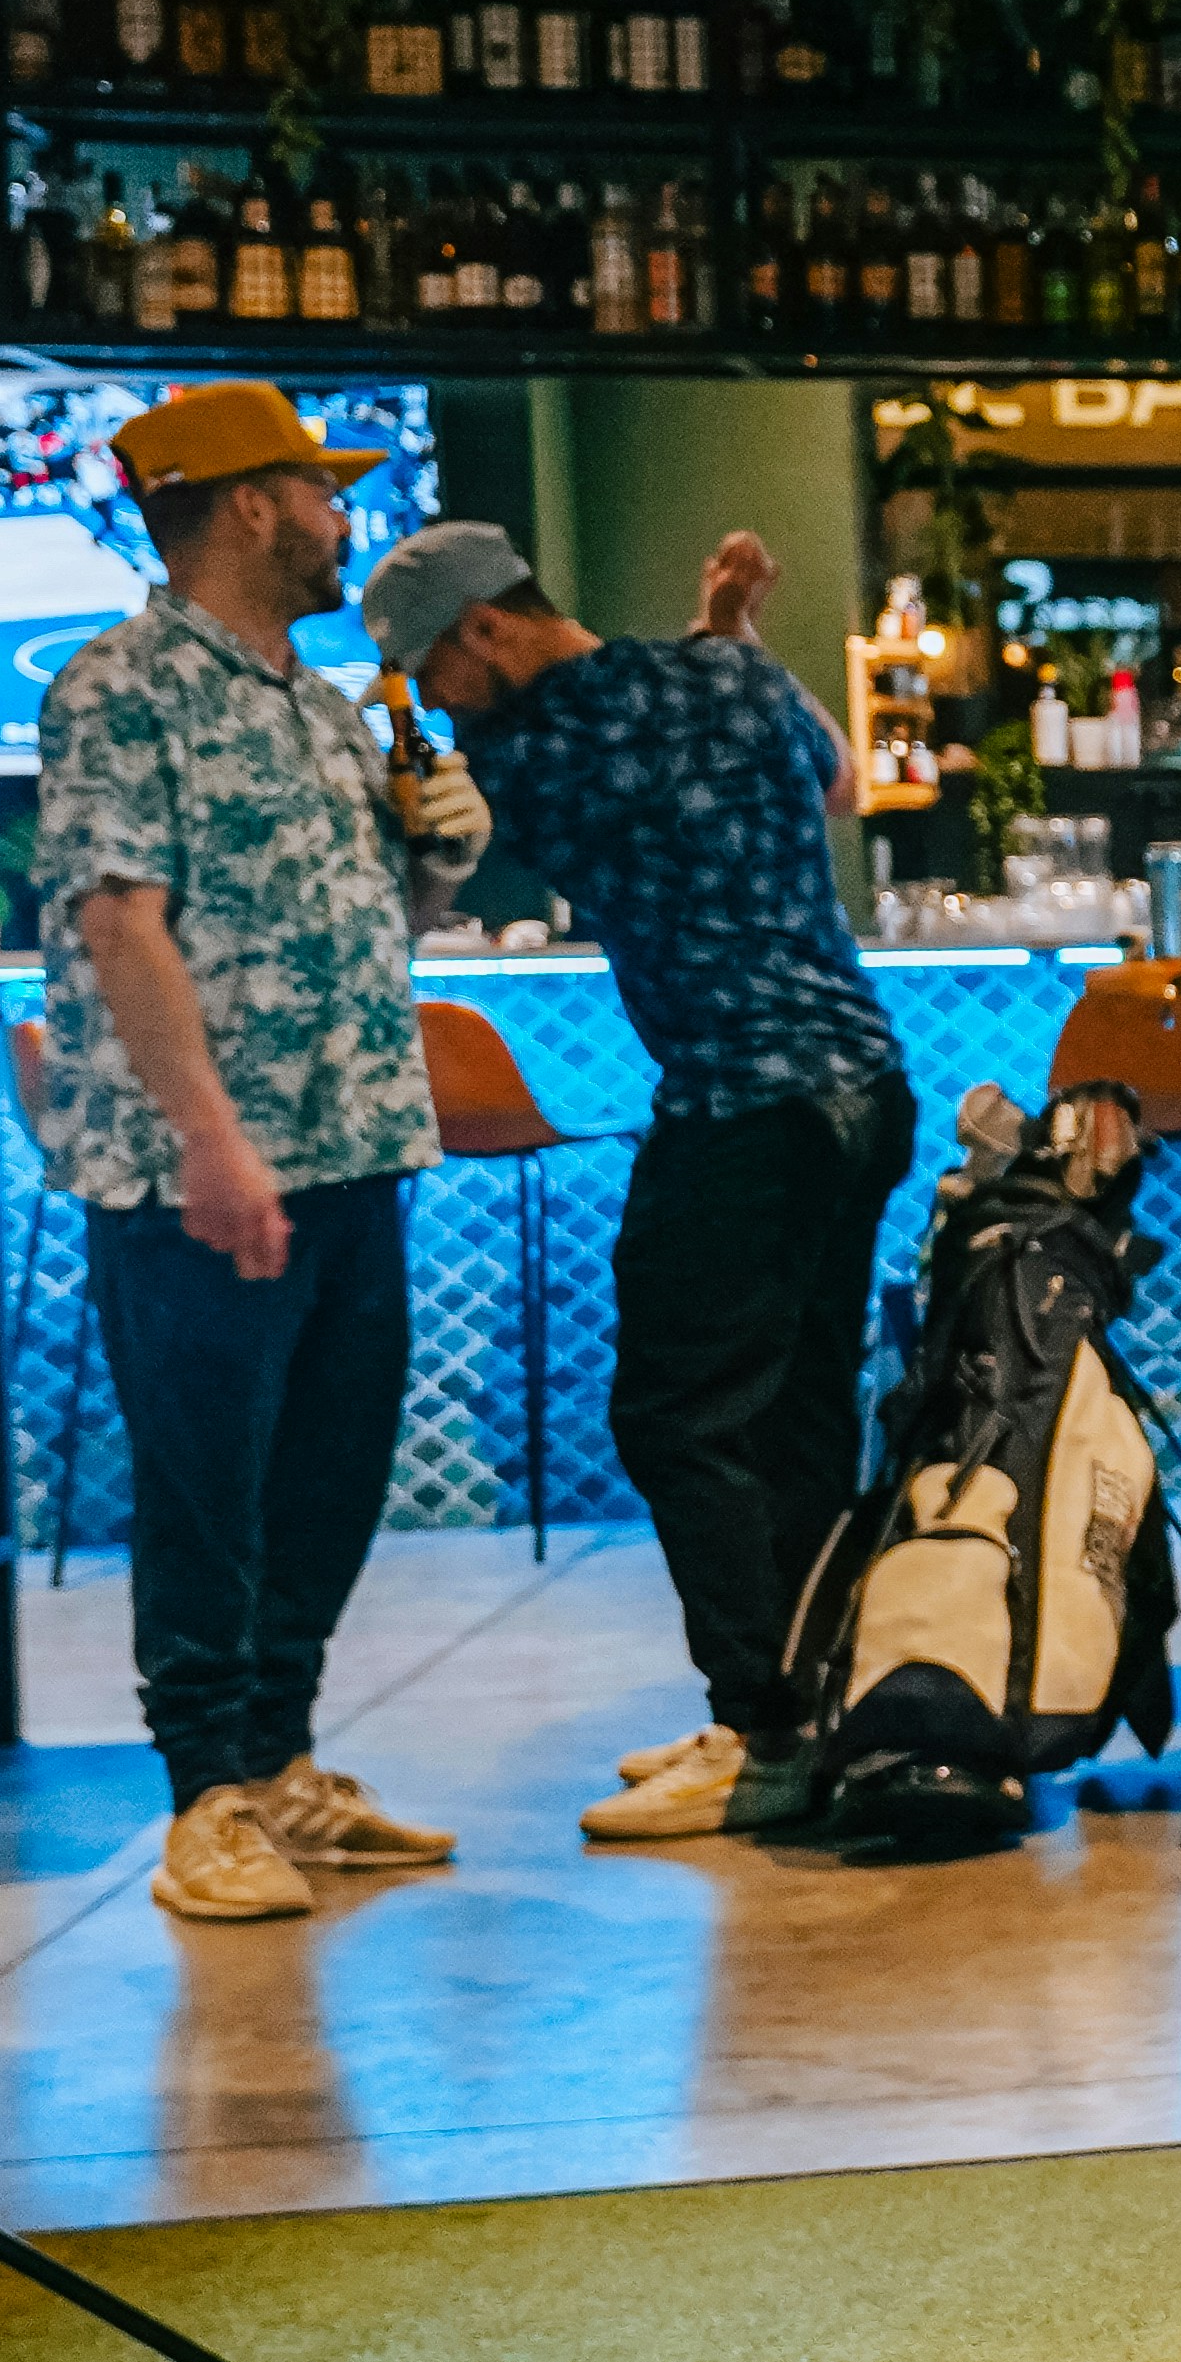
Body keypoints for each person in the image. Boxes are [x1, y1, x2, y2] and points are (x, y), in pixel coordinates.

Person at [361, 517, 910, 1847]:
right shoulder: (731, 676)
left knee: (677, 1418)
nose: (428, 697)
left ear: (487, 627)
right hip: (867, 1090)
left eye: (431, 666)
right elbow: (838, 782)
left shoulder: (527, 754)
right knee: (799, 1419)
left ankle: (765, 1731)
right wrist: (729, 628)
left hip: (740, 1104)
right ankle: (801, 1704)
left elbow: (416, 876)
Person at [39, 383, 481, 1925]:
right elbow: (117, 917)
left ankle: (281, 1762)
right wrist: (210, 1141)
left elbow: (374, 931)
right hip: (201, 1174)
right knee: (205, 1484)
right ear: (244, 504)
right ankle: (206, 1799)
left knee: (329, 1473)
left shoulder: (321, 703)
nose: (340, 515)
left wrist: (432, 849)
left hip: (358, 1145)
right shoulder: (122, 685)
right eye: (317, 487)